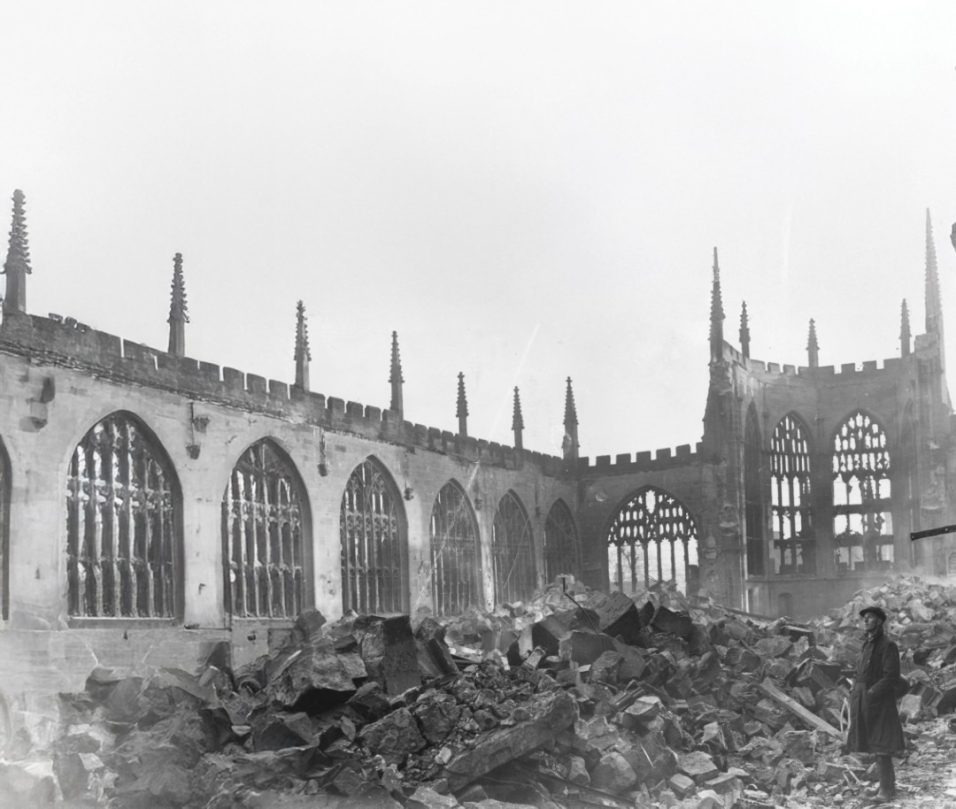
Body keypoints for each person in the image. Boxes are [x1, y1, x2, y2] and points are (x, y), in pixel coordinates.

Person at [846, 605, 905, 803]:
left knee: (882, 747)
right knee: (872, 743)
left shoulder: (888, 645)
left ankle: (886, 792)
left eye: (870, 618)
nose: (866, 621)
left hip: (879, 702)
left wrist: (871, 693)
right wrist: (856, 690)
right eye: (864, 618)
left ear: (879, 621)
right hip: (863, 699)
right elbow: (861, 671)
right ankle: (886, 787)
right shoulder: (866, 644)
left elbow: (892, 677)